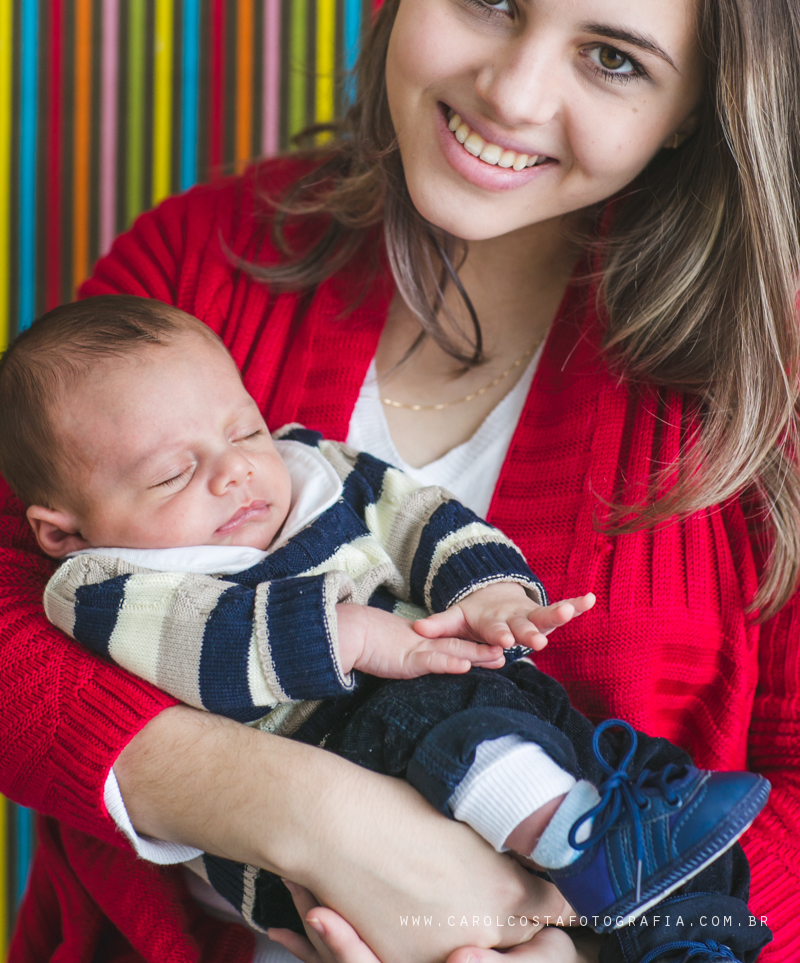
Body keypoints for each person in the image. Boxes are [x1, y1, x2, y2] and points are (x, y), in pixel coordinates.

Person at [0, 0, 799, 960]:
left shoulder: (767, 385)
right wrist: (305, 809)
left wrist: (568, 949)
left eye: (614, 60)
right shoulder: (198, 263)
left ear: (693, 104)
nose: (512, 94)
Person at [0, 295, 769, 960]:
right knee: (427, 708)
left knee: (652, 803)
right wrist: (354, 637)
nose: (234, 471)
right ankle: (578, 838)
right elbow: (200, 643)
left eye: (244, 432)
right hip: (321, 765)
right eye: (171, 473)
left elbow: (421, 521)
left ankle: (682, 930)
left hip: (480, 729)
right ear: (62, 532)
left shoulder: (314, 468)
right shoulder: (100, 586)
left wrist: (492, 594)